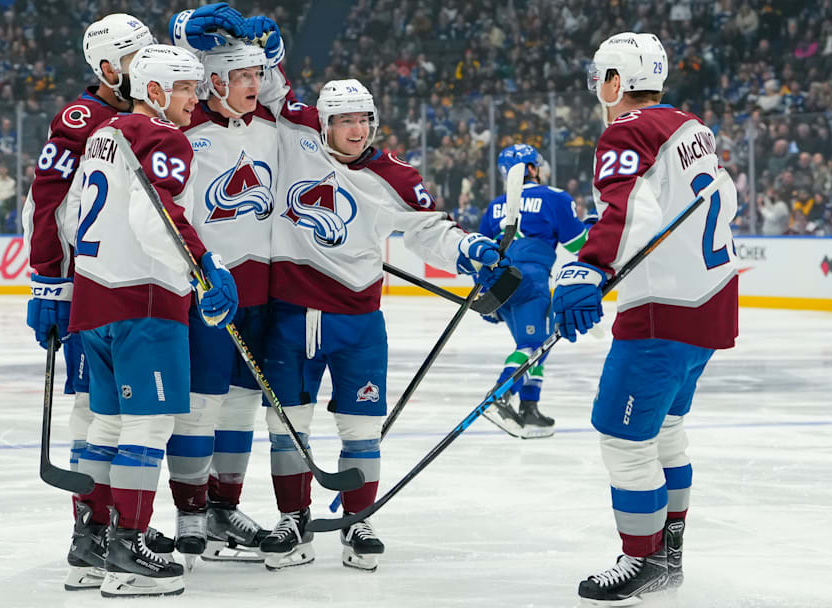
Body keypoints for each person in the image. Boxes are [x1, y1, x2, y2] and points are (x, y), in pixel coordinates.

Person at [258, 78, 510, 572]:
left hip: (358, 322)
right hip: (290, 316)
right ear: (323, 125)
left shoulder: (394, 174)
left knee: (362, 428)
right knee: (286, 426)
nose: (357, 130)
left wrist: (468, 249)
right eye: (344, 121)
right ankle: (293, 518)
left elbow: (427, 229)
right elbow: (270, 93)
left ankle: (358, 519)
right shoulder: (295, 145)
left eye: (363, 119)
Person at [552, 32, 738, 604]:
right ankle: (668, 554)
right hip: (710, 302)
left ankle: (643, 559)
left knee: (623, 437)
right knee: (666, 433)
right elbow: (683, 204)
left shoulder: (625, 130)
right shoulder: (691, 128)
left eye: (600, 78)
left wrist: (589, 269)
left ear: (615, 82)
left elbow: (626, 207)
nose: (598, 91)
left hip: (662, 316)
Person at [66, 43, 238, 598]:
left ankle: (90, 540)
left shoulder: (103, 134)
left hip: (94, 301)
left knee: (107, 426)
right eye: (187, 88)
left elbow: (71, 216)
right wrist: (204, 269)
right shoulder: (164, 138)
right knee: (147, 429)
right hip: (144, 304)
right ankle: (129, 547)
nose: (199, 97)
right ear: (157, 92)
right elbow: (156, 213)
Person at [19, 12, 159, 592]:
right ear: (107, 69)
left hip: (135, 286)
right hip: (89, 287)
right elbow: (47, 201)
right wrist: (49, 282)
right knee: (97, 412)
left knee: (126, 412)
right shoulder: (84, 118)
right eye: (134, 60)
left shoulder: (141, 116)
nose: (146, 69)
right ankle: (92, 531)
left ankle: (106, 529)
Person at [163, 4, 284, 562]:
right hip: (207, 290)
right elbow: (167, 69)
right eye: (242, 77)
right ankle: (189, 511)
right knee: (199, 405)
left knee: (240, 407)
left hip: (261, 293)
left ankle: (221, 508)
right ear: (212, 81)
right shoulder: (184, 129)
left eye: (257, 76)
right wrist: (189, 25)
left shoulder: (272, 126)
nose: (254, 86)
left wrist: (269, 52)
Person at [478, 143, 589, 437]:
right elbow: (577, 244)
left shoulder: (495, 205)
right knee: (535, 345)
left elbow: (482, 251)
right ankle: (499, 396)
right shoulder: (554, 197)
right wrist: (592, 227)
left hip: (500, 282)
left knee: (538, 344)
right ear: (530, 168)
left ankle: (529, 409)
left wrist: (486, 295)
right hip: (531, 280)